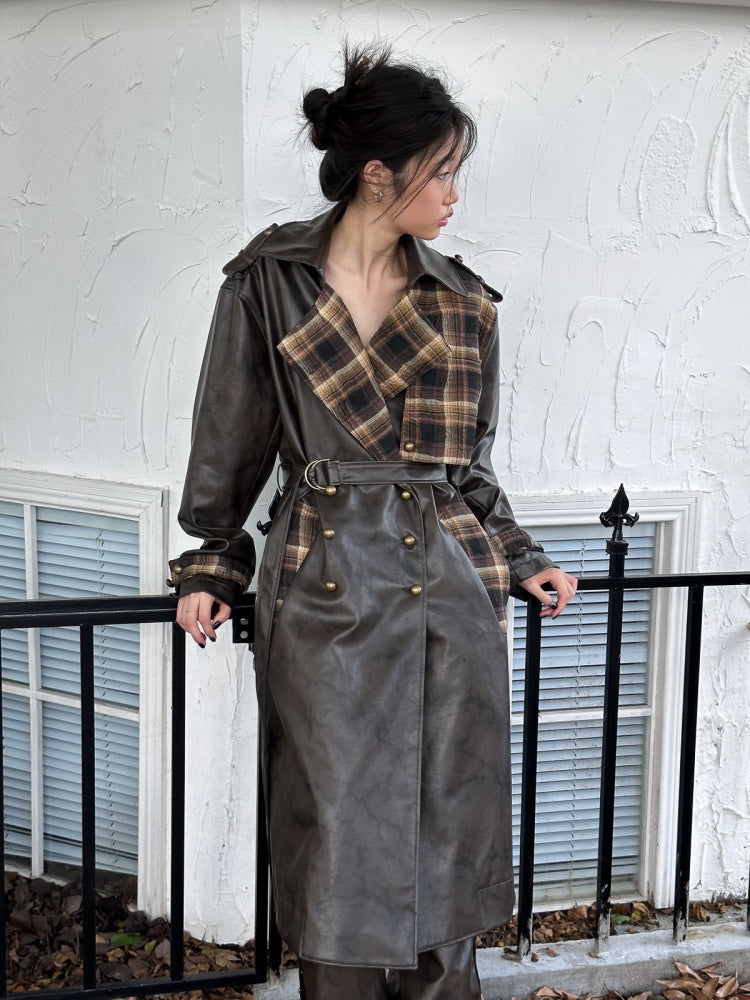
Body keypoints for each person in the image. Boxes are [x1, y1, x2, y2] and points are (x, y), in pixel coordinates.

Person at [170, 42, 577, 1000]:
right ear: (378, 173)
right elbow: (230, 442)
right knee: (338, 834)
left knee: (447, 828)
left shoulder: (463, 300)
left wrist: (518, 556)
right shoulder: (269, 282)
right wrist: (213, 564)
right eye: (442, 173)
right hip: (326, 594)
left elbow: (465, 470)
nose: (455, 196)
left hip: (451, 592)